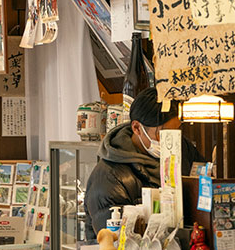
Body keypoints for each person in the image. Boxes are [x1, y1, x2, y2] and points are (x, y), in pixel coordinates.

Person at [84, 88, 202, 237]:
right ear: (137, 128)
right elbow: (113, 241)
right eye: (161, 134)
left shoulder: (183, 149)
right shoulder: (109, 176)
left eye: (176, 131)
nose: (169, 141)